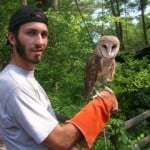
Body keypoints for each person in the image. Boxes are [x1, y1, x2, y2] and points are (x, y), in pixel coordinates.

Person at [0, 6, 118, 150]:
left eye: (44, 34)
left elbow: (42, 134)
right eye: (31, 33)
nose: (40, 42)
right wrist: (99, 107)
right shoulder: (16, 85)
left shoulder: (24, 77)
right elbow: (60, 142)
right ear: (12, 38)